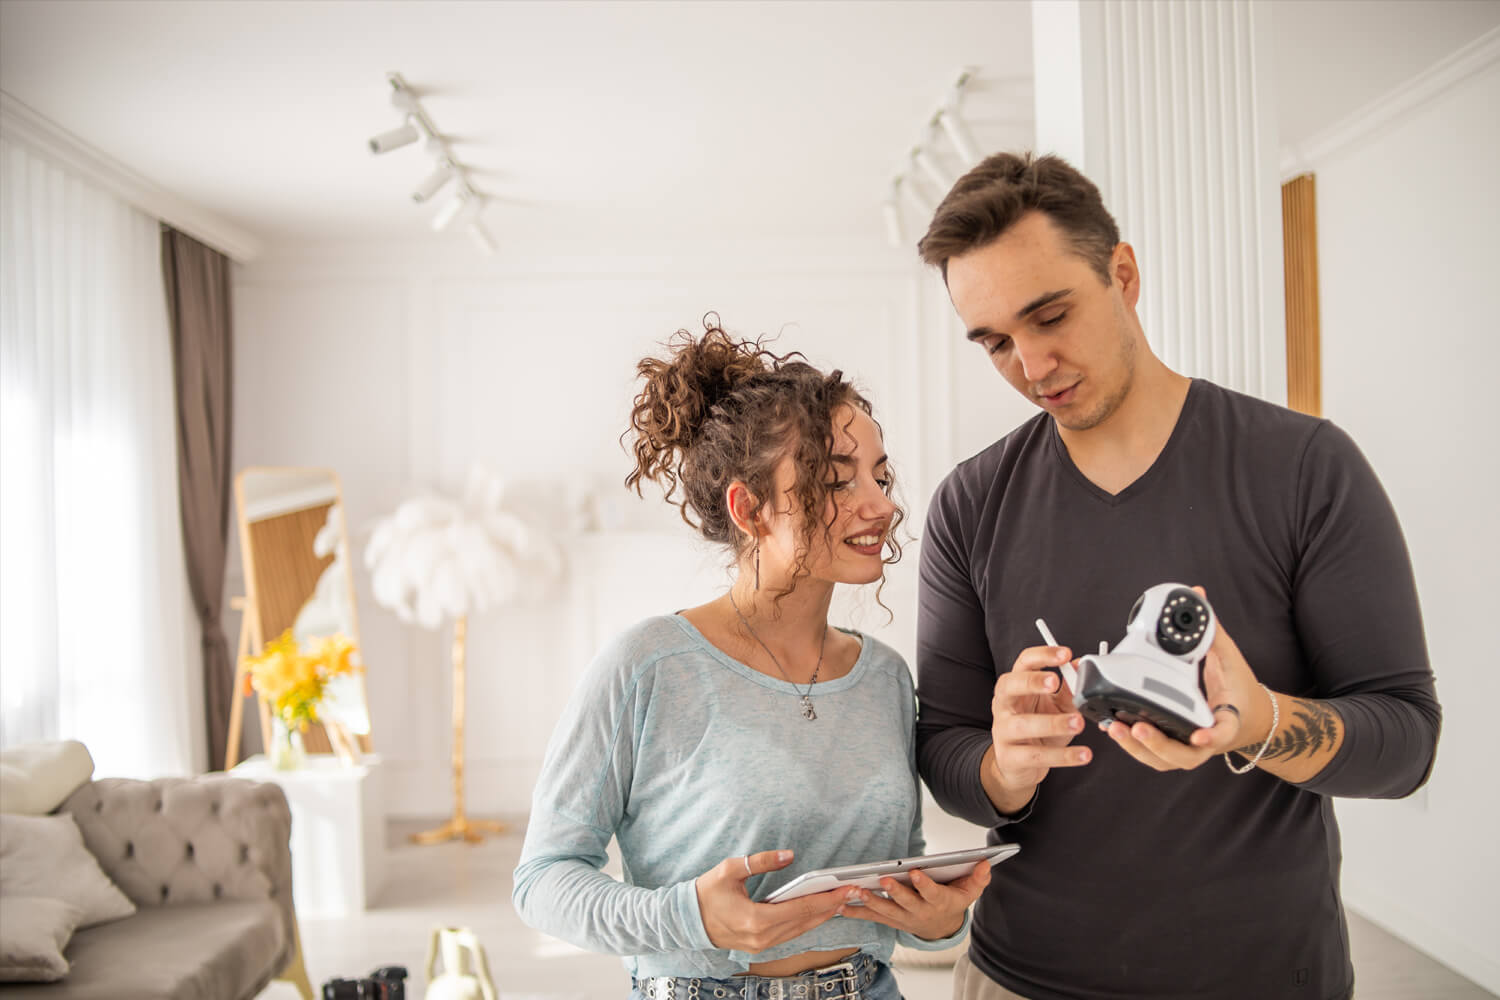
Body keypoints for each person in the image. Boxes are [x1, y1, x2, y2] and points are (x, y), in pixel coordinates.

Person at [911, 153, 1441, 1000]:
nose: (1032, 364)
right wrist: (1006, 765)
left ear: (1123, 274)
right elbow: (942, 749)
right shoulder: (970, 505)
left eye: (1050, 315)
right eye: (995, 342)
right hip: (1021, 979)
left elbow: (1406, 744)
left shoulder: (1305, 467)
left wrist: (1257, 722)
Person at [513, 320, 987, 999]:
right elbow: (544, 881)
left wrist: (940, 920)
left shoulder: (884, 678)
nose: (881, 506)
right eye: (836, 481)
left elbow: (895, 885)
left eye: (880, 477)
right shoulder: (648, 666)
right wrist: (689, 917)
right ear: (748, 507)